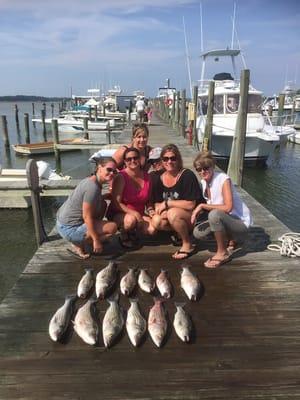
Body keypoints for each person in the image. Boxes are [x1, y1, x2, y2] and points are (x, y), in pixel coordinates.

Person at [191, 151, 252, 268]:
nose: (202, 172)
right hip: (226, 219)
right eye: (199, 169)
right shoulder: (203, 183)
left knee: (214, 215)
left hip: (240, 222)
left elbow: (228, 208)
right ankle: (231, 239)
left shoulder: (223, 179)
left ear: (213, 166)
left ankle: (222, 252)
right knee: (198, 233)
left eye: (206, 168)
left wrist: (202, 206)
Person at [56, 157, 118, 259]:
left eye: (114, 171)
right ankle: (79, 244)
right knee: (112, 228)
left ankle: (85, 238)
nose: (112, 173)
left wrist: (105, 196)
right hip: (70, 229)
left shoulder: (92, 180)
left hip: (62, 222)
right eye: (109, 169)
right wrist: (96, 240)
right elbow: (87, 217)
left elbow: (88, 201)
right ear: (99, 167)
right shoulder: (92, 187)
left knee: (102, 204)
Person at [151, 144, 202, 260]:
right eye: (165, 159)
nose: (169, 161)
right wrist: (161, 211)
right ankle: (177, 232)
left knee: (172, 213)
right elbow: (156, 203)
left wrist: (167, 204)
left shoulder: (187, 175)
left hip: (191, 217)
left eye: (173, 158)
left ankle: (187, 243)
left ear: (178, 159)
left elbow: (191, 204)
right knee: (157, 221)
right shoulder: (159, 178)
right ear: (162, 161)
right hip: (173, 215)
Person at [107, 147, 155, 248]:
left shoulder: (147, 177)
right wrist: (135, 214)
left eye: (135, 158)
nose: (132, 161)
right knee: (130, 221)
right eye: (129, 159)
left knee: (152, 229)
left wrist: (151, 210)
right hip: (120, 213)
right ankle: (124, 235)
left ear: (140, 159)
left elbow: (148, 200)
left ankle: (133, 231)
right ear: (124, 161)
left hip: (139, 213)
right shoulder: (121, 177)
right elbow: (116, 202)